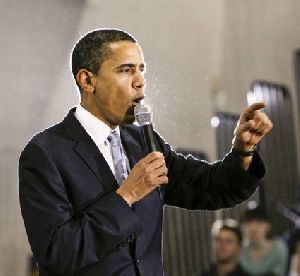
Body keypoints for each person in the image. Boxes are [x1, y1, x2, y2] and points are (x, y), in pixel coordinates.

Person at [18, 28, 273, 276]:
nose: (140, 82)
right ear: (87, 80)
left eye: (141, 70)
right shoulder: (45, 153)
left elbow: (210, 188)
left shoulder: (142, 141)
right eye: (126, 70)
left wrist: (242, 151)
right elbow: (57, 253)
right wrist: (127, 195)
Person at [239, 204, 288, 276]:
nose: (253, 228)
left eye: (259, 222)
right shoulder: (241, 251)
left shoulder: (279, 248)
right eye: (248, 222)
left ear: (268, 225)